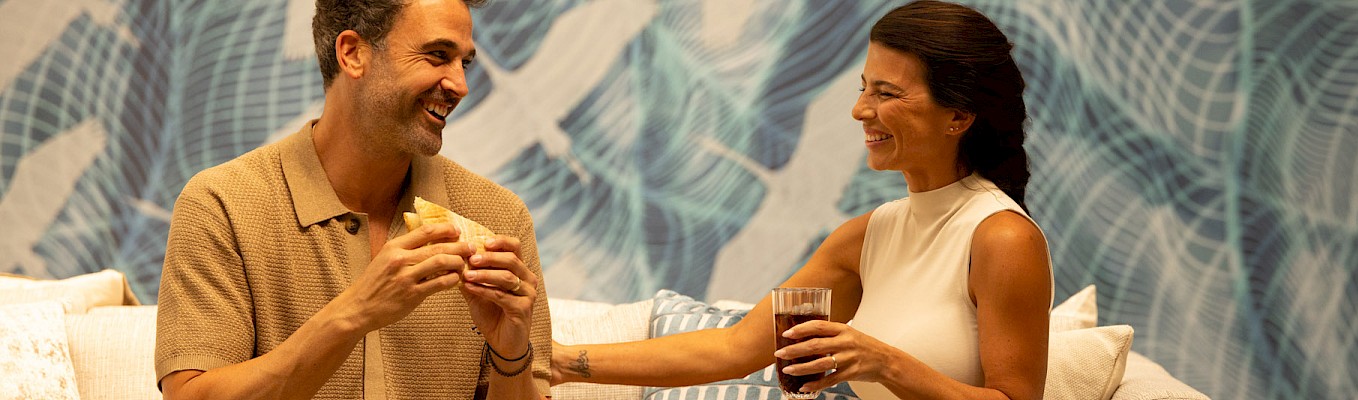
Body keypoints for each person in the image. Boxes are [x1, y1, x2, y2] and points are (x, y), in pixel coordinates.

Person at [550, 1, 1051, 399]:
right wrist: (559, 362)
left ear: (959, 117)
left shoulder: (1002, 238)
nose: (859, 110)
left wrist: (886, 362)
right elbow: (732, 347)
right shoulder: (866, 237)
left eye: (886, 93)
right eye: (863, 89)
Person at [154, 0, 552, 398]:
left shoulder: (500, 217)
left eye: (463, 63)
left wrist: (511, 356)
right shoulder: (221, 205)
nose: (460, 86)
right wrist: (355, 312)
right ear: (352, 53)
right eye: (437, 56)